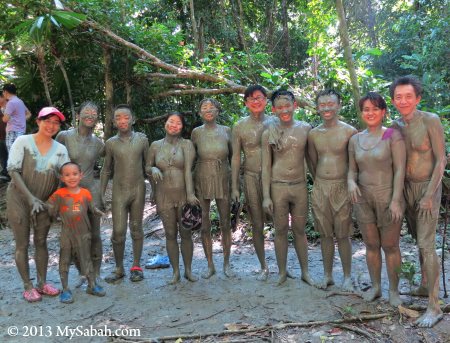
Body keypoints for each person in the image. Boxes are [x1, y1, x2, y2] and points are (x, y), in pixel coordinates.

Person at [390, 76, 446, 327]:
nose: (403, 101)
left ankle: (435, 306)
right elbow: (384, 153)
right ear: (393, 100)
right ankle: (425, 285)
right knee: (418, 241)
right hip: (406, 189)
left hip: (427, 188)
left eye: (408, 96)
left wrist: (429, 195)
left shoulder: (430, 120)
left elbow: (441, 160)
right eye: (398, 97)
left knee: (426, 245)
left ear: (418, 98)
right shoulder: (394, 126)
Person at [348, 92, 406, 307]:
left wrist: (396, 199)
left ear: (383, 111)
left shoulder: (392, 135)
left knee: (390, 245)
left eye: (375, 109)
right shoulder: (355, 139)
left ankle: (394, 290)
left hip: (387, 195)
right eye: (366, 109)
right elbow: (351, 170)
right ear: (361, 113)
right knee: (371, 244)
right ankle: (376, 287)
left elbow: (400, 169)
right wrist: (351, 182)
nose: (370, 113)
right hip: (363, 198)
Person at [7, 107, 69, 302]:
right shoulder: (22, 141)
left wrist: (56, 203)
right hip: (19, 198)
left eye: (56, 123)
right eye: (47, 121)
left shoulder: (60, 150)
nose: (51, 126)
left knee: (41, 241)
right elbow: (13, 170)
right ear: (38, 121)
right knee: (22, 243)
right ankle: (28, 285)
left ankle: (42, 283)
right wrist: (31, 198)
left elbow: (65, 177)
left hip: (45, 201)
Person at [261, 90, 314, 285]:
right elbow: (265, 167)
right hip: (278, 185)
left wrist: (317, 184)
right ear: (273, 109)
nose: (284, 110)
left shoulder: (305, 129)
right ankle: (282, 272)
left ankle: (305, 272)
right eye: (279, 107)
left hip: (299, 185)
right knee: (280, 229)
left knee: (300, 230)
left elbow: (312, 159)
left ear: (295, 106)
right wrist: (266, 196)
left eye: (287, 105)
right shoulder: (269, 132)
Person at [307, 89, 357, 291]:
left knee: (343, 233)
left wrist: (348, 183)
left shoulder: (349, 132)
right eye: (322, 104)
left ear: (338, 105)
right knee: (325, 234)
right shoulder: (313, 134)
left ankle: (347, 277)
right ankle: (328, 275)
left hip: (342, 187)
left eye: (331, 104)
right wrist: (321, 180)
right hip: (320, 187)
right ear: (317, 107)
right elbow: (312, 162)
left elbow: (354, 163)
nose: (326, 108)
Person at [56, 101, 105, 282]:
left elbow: (111, 164)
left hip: (92, 191)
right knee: (75, 235)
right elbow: (55, 164)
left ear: (97, 118)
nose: (90, 114)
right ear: (78, 115)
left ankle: (97, 271)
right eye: (86, 111)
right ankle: (81, 271)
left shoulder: (99, 144)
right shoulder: (64, 136)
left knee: (95, 234)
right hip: (70, 194)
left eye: (94, 112)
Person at [148, 112, 199, 284]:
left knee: (186, 233)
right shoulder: (155, 145)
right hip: (164, 195)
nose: (174, 125)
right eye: (171, 121)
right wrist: (153, 169)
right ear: (165, 123)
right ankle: (175, 272)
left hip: (183, 194)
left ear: (182, 127)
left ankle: (188, 270)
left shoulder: (187, 144)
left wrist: (190, 194)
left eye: (178, 123)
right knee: (170, 234)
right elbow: (148, 166)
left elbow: (188, 171)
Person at [100, 105, 148, 283]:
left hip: (138, 190)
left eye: (126, 117)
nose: (122, 121)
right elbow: (106, 170)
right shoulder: (111, 143)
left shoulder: (142, 140)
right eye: (118, 118)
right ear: (113, 122)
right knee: (118, 232)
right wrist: (101, 194)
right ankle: (119, 268)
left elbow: (147, 166)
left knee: (136, 229)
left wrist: (157, 186)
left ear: (133, 119)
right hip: (119, 192)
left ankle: (136, 266)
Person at [47, 162, 106, 303]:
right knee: (64, 259)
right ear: (62, 178)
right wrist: (51, 214)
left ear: (81, 175)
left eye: (74, 174)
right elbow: (50, 208)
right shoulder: (59, 194)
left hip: (84, 233)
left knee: (86, 258)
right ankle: (65, 289)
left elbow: (91, 207)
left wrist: (97, 211)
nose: (71, 177)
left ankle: (92, 285)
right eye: (67, 175)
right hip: (67, 233)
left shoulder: (86, 193)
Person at [231, 85, 273, 281]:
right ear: (246, 103)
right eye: (251, 98)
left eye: (259, 97)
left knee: (281, 223)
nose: (256, 101)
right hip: (250, 176)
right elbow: (236, 158)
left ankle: (282, 266)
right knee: (257, 223)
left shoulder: (275, 122)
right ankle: (264, 266)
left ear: (266, 100)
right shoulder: (240, 126)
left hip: (275, 178)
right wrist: (234, 186)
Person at [191, 99, 233, 278]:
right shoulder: (196, 133)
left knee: (225, 222)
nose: (208, 110)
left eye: (211, 107)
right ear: (200, 113)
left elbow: (233, 157)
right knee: (204, 223)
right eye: (204, 108)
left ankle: (226, 263)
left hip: (223, 176)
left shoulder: (226, 131)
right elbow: (190, 159)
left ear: (218, 110)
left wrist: (236, 183)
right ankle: (210, 264)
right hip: (202, 177)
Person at [2, 84, 27, 151]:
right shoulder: (20, 101)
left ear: (5, 92)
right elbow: (28, 114)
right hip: (21, 131)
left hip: (13, 131)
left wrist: (3, 115)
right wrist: (20, 120)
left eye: (3, 92)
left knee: (12, 154)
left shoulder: (11, 103)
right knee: (19, 154)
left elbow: (5, 119)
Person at [0, 91, 8, 179]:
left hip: (9, 136)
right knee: (2, 156)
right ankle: (4, 173)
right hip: (1, 137)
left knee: (11, 154)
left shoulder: (9, 106)